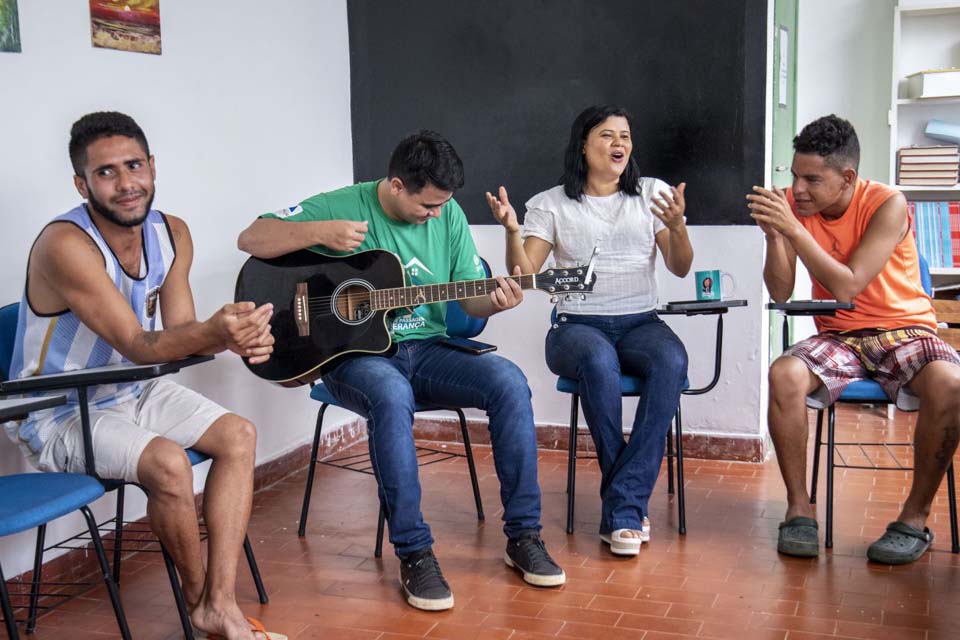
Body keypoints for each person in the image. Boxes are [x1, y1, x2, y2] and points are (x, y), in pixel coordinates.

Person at [237, 130, 565, 611]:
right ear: (395, 186)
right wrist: (319, 233)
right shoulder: (343, 204)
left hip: (427, 348)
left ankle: (524, 536)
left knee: (510, 382)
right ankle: (414, 553)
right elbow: (252, 237)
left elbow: (465, 297)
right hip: (354, 358)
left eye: (441, 206)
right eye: (426, 206)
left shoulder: (448, 214)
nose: (435, 215)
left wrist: (495, 304)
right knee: (391, 398)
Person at [4, 112, 280, 640]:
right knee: (169, 465)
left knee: (238, 435)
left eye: (134, 165)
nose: (126, 183)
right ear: (81, 184)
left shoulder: (172, 233)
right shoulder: (66, 245)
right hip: (60, 410)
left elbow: (180, 332)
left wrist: (238, 333)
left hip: (133, 387)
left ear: (153, 166)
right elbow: (138, 343)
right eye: (106, 172)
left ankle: (219, 602)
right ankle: (201, 602)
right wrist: (217, 333)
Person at [748, 114, 960, 565]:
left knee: (951, 383)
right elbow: (782, 291)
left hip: (906, 330)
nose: (798, 189)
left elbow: (847, 286)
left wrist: (793, 229)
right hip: (840, 335)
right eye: (794, 175)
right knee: (784, 373)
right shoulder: (793, 209)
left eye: (812, 179)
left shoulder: (888, 203)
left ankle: (913, 519)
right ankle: (799, 512)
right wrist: (775, 237)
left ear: (847, 178)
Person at [487, 104, 693, 556]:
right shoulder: (552, 203)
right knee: (599, 362)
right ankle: (627, 509)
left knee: (672, 360)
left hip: (641, 321)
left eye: (625, 135)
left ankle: (621, 505)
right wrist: (510, 232)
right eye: (606, 135)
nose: (619, 143)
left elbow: (680, 267)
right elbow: (525, 276)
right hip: (575, 327)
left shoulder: (652, 195)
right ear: (583, 144)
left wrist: (677, 227)